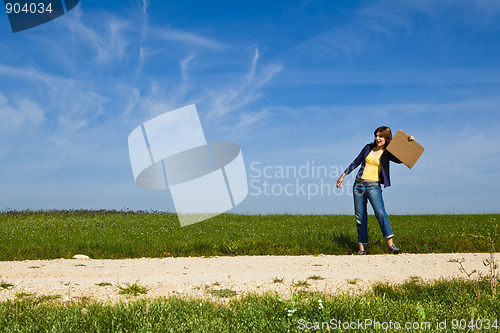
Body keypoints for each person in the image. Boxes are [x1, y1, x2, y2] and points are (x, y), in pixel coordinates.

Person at [336, 126, 414, 255]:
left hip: (373, 186)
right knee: (360, 217)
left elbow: (401, 159)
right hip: (358, 186)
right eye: (376, 135)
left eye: (380, 136)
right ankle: (362, 249)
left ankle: (391, 246)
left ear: (386, 138)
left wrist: (409, 142)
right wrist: (343, 176)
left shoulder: (388, 152)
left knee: (380, 214)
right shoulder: (368, 148)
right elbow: (355, 162)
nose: (377, 138)